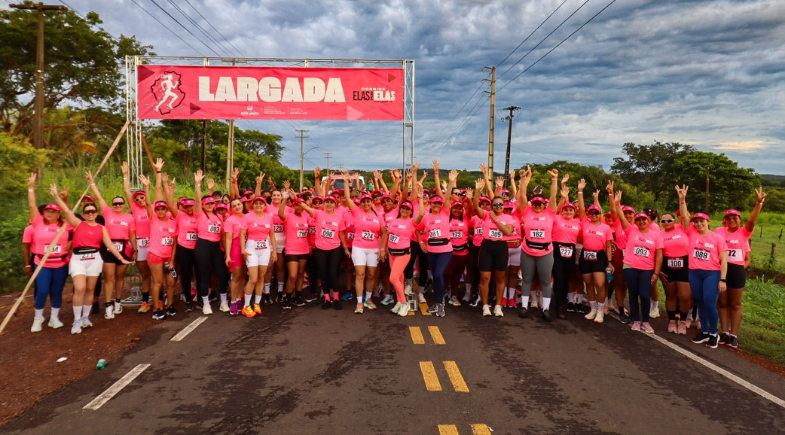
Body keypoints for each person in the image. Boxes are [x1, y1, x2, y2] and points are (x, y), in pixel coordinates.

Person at [47, 184, 131, 333]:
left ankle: (85, 317)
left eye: (93, 212)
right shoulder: (78, 224)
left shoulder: (101, 227)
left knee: (90, 289)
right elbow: (66, 210)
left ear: (96, 213)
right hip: (79, 259)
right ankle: (76, 320)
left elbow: (110, 245)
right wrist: (56, 196)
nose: (90, 214)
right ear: (84, 214)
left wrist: (121, 258)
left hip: (94, 259)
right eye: (87, 212)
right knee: (80, 288)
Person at [677, 185, 729, 349]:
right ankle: (705, 332)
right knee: (699, 302)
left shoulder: (717, 238)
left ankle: (714, 333)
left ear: (708, 222)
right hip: (694, 273)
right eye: (696, 221)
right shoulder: (691, 233)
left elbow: (724, 260)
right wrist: (682, 200)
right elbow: (684, 217)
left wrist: (722, 279)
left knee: (709, 303)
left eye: (702, 221)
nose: (698, 224)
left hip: (711, 273)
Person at [714, 188, 766, 348]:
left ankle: (733, 335)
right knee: (722, 303)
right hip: (720, 269)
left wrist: (759, 203)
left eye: (735, 218)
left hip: (736, 271)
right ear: (724, 220)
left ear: (739, 220)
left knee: (735, 304)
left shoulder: (744, 232)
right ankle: (724, 332)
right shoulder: (718, 231)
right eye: (728, 218)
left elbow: (752, 221)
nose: (731, 220)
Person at [87, 170, 137, 320]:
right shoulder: (108, 213)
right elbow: (98, 197)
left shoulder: (129, 217)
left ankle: (118, 301)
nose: (118, 205)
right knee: (109, 277)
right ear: (112, 205)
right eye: (115, 203)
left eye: (120, 203)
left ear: (124, 205)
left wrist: (134, 250)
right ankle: (108, 304)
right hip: (108, 248)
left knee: (120, 276)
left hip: (124, 248)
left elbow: (132, 235)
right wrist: (91, 182)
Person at [612, 189, 663, 333]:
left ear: (648, 221)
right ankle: (636, 320)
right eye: (638, 220)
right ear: (635, 221)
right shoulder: (631, 230)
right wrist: (617, 203)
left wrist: (656, 272)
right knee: (633, 294)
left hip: (647, 268)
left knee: (645, 294)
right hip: (630, 266)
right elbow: (622, 218)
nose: (641, 222)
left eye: (643, 220)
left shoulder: (655, 234)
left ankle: (645, 321)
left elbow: (659, 255)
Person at [26, 174, 72, 332]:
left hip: (60, 263)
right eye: (48, 211)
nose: (50, 213)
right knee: (43, 290)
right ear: (43, 213)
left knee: (57, 291)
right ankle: (38, 319)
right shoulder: (37, 223)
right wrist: (31, 187)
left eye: (54, 212)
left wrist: (64, 199)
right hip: (42, 264)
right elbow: (32, 206)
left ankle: (54, 317)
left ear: (58, 214)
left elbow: (69, 212)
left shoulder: (65, 225)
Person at [517, 165, 560, 321]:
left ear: (544, 205)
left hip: (545, 252)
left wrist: (554, 179)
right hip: (528, 250)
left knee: (545, 281)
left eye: (540, 204)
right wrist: (522, 180)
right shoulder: (527, 212)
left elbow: (554, 197)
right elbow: (522, 195)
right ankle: (524, 307)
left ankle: (546, 309)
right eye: (534, 203)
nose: (537, 206)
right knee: (527, 279)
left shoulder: (550, 213)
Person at [137, 163, 178, 320]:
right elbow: (148, 203)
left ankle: (170, 305)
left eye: (163, 209)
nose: (160, 211)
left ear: (167, 210)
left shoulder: (173, 222)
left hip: (168, 257)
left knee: (171, 283)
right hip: (155, 255)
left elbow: (174, 243)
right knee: (158, 283)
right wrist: (147, 188)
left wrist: (172, 260)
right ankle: (156, 309)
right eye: (158, 209)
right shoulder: (153, 219)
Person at [472, 167, 515, 317]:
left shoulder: (508, 218)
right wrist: (478, 192)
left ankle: (498, 305)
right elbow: (475, 207)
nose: (497, 207)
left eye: (500, 205)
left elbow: (508, 232)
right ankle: (485, 305)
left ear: (504, 206)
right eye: (495, 205)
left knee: (500, 277)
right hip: (487, 246)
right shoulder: (485, 215)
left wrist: (496, 219)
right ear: (491, 206)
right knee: (485, 277)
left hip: (501, 247)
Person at [414, 166, 456, 317]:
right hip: (431, 250)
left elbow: (446, 198)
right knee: (436, 275)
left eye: (439, 203)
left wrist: (450, 183)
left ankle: (440, 303)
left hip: (445, 250)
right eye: (434, 203)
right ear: (430, 204)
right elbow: (417, 227)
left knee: (438, 274)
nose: (437, 205)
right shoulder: (426, 216)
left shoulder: (445, 213)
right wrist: (421, 243)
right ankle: (438, 302)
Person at [380, 180, 425, 317]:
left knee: (393, 278)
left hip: (403, 254)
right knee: (398, 279)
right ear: (400, 209)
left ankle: (405, 303)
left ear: (411, 211)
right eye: (403, 208)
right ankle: (400, 302)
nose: (405, 210)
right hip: (392, 253)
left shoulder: (411, 222)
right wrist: (383, 249)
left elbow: (421, 214)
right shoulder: (393, 220)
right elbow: (386, 234)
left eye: (408, 209)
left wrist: (421, 199)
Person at [343, 172, 384, 314]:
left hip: (373, 248)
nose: (366, 203)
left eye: (368, 201)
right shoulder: (357, 212)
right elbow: (348, 198)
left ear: (372, 202)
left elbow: (384, 232)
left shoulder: (378, 216)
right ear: (361, 203)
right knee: (360, 274)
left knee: (371, 275)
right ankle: (359, 302)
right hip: (359, 247)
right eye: (364, 201)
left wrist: (383, 248)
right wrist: (348, 182)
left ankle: (368, 298)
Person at [298, 191, 346, 310]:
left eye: (331, 202)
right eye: (327, 202)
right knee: (323, 274)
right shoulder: (318, 214)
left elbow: (341, 234)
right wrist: (295, 198)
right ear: (324, 204)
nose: (329, 204)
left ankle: (335, 298)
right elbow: (305, 207)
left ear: (335, 205)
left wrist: (345, 248)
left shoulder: (339, 217)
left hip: (334, 248)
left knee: (332, 274)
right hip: (320, 249)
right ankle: (327, 299)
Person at [193, 170, 230, 315]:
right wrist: (197, 184)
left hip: (216, 247)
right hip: (203, 245)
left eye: (212, 203)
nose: (209, 205)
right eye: (207, 203)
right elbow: (197, 200)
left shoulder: (219, 217)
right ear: (202, 205)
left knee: (221, 274)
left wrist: (226, 254)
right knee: (204, 275)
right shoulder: (199, 213)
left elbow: (222, 236)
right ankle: (206, 303)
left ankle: (224, 301)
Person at [577, 186, 614, 323]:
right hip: (585, 255)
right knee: (589, 284)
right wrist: (580, 191)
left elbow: (609, 246)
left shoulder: (605, 227)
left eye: (596, 213)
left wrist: (609, 261)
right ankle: (592, 309)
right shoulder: (585, 223)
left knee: (600, 284)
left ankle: (600, 311)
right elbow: (581, 209)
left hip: (599, 257)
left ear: (600, 214)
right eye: (591, 213)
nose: (593, 215)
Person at [122, 162, 153, 314]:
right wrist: (125, 175)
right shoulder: (134, 208)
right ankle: (145, 302)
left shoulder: (152, 207)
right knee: (145, 274)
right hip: (141, 244)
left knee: (157, 273)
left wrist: (147, 187)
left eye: (142, 197)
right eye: (137, 199)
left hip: (153, 244)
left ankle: (160, 298)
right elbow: (127, 192)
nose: (140, 200)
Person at [240, 195, 277, 318]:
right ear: (253, 205)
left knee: (262, 277)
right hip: (251, 248)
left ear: (265, 206)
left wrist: (275, 252)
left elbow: (272, 235)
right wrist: (243, 250)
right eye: (256, 204)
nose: (258, 205)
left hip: (265, 249)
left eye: (261, 204)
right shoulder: (247, 217)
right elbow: (242, 234)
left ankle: (256, 303)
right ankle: (246, 306)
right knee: (253, 278)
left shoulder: (268, 217)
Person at [656, 210, 692, 334]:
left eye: (669, 220)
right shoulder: (659, 235)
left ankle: (682, 321)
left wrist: (682, 199)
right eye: (663, 221)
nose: (666, 223)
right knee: (670, 295)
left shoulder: (682, 228)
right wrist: (658, 270)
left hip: (684, 265)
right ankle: (672, 321)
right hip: (667, 266)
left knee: (685, 296)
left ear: (675, 221)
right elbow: (655, 253)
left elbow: (685, 216)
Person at [551, 180, 581, 319]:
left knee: (566, 278)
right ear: (562, 211)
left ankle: (562, 302)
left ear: (574, 212)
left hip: (570, 250)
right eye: (566, 210)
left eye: (571, 210)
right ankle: (559, 306)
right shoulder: (557, 219)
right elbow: (554, 210)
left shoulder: (577, 222)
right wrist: (563, 196)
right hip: (556, 249)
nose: (568, 212)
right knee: (558, 278)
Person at [279, 184, 312, 309]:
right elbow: (280, 213)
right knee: (292, 275)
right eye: (297, 205)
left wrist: (309, 246)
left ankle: (297, 296)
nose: (299, 207)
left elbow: (308, 233)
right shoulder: (289, 216)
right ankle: (287, 298)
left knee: (300, 274)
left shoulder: (306, 216)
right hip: (292, 249)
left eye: (301, 205)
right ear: (293, 205)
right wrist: (284, 199)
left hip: (304, 248)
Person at [224, 197, 247, 316]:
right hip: (235, 247)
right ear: (231, 208)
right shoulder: (230, 220)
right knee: (236, 276)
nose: (237, 207)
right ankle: (232, 301)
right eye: (234, 206)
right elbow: (228, 238)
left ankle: (239, 299)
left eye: (239, 204)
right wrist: (228, 255)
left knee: (243, 275)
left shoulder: (247, 217)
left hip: (247, 246)